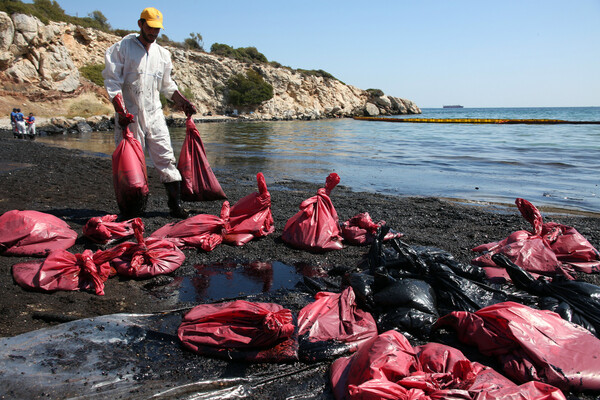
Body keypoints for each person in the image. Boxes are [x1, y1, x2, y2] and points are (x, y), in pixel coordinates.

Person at [102, 7, 196, 218]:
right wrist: (121, 111)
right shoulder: (122, 48)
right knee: (132, 163)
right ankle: (131, 209)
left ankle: (175, 207)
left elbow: (167, 86)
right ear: (140, 24)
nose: (154, 33)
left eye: (157, 29)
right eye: (150, 28)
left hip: (154, 115)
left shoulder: (162, 54)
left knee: (166, 157)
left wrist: (183, 103)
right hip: (130, 116)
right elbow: (112, 81)